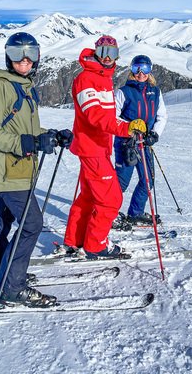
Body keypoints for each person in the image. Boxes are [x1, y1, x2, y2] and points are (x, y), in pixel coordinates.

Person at [0, 32, 72, 307]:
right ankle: (11, 286)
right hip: (8, 167)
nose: (24, 60)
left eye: (30, 54)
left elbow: (24, 130)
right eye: (17, 54)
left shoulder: (22, 85)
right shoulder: (1, 87)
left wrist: (50, 135)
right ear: (8, 56)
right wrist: (29, 142)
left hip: (17, 167)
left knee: (3, 220)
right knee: (32, 224)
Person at [63, 35, 147, 260]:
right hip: (91, 148)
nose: (108, 58)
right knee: (111, 200)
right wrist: (125, 129)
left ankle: (75, 240)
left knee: (89, 196)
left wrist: (125, 127)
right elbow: (94, 115)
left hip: (98, 147)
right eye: (103, 52)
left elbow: (106, 115)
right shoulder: (86, 78)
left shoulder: (103, 77)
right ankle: (95, 245)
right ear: (96, 52)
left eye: (112, 52)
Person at [113, 54, 167, 227]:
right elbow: (112, 117)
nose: (141, 73)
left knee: (148, 179)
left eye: (145, 69)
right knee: (121, 182)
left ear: (150, 71)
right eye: (137, 68)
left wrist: (155, 134)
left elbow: (162, 116)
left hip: (145, 144)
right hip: (126, 144)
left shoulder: (155, 92)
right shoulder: (123, 92)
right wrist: (129, 127)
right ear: (131, 69)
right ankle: (109, 214)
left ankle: (135, 213)